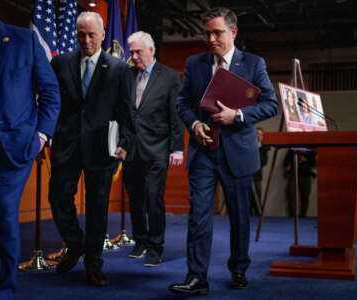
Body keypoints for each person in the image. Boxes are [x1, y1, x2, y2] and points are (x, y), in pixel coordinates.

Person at [169, 7, 278, 295]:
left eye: (217, 32)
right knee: (199, 216)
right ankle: (196, 277)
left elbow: (270, 104)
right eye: (207, 33)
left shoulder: (254, 64)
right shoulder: (195, 64)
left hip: (238, 151)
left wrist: (238, 116)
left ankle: (239, 269)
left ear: (233, 32)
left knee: (240, 216)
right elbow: (182, 103)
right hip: (203, 151)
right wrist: (193, 125)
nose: (211, 38)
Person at [0, 0, 60, 299]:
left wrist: (42, 135)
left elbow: (49, 91)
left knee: (3, 211)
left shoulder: (25, 40)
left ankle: (2, 291)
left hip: (13, 149)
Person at [48, 11, 133, 287]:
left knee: (97, 209)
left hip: (101, 150)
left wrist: (123, 144)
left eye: (91, 35)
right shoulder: (60, 63)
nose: (86, 40)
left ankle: (94, 264)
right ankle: (75, 243)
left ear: (103, 35)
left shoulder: (119, 68)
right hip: (67, 145)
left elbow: (127, 113)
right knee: (58, 199)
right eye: (81, 34)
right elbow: (51, 103)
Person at [123, 31, 185, 267]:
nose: (134, 57)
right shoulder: (127, 75)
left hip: (158, 149)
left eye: (138, 52)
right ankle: (140, 241)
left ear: (151, 50)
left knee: (153, 197)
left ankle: (155, 247)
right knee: (136, 198)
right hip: (131, 149)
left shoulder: (169, 77)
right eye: (131, 53)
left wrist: (177, 148)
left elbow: (175, 116)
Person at [284, 149, 317, 217]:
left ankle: (303, 216)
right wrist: (288, 166)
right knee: (292, 197)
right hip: (294, 176)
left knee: (305, 197)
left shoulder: (310, 150)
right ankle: (293, 216)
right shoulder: (292, 149)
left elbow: (313, 163)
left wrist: (305, 160)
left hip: (306, 176)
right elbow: (285, 161)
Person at [251, 127, 270, 216]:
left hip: (257, 176)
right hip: (247, 176)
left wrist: (259, 149)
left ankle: (258, 216)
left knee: (257, 198)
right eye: (257, 134)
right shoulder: (249, 145)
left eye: (260, 135)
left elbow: (264, 161)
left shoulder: (264, 148)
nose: (258, 136)